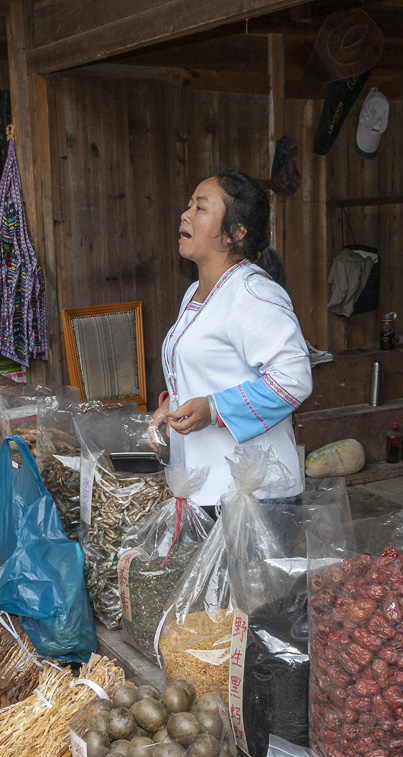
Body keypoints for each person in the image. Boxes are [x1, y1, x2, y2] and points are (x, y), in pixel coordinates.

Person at [150, 167, 313, 508]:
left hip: (255, 497)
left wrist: (214, 409)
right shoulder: (196, 292)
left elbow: (293, 380)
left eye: (200, 208)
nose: (185, 214)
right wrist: (172, 404)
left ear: (234, 232)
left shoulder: (252, 293)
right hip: (207, 488)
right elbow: (210, 369)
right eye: (189, 204)